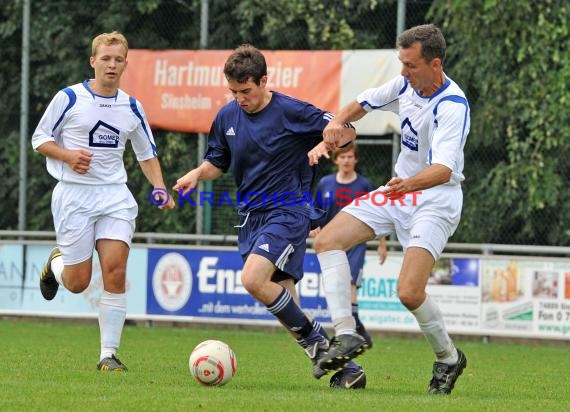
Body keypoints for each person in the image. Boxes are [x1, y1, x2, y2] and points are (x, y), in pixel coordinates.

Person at [173, 44, 365, 389]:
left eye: (245, 91)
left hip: (286, 211)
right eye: (233, 91)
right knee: (287, 304)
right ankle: (346, 369)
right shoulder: (227, 116)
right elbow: (218, 161)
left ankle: (323, 345)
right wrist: (196, 174)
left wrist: (329, 141)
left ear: (264, 80)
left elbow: (346, 129)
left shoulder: (290, 111)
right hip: (250, 218)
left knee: (252, 279)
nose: (239, 98)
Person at [310, 24, 470, 394]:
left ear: (435, 63)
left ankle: (448, 358)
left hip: (436, 199)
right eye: (401, 63)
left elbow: (444, 169)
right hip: (399, 192)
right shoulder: (404, 86)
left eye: (410, 65)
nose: (403, 72)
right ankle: (347, 336)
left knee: (409, 293)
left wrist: (407, 185)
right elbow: (361, 104)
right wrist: (337, 122)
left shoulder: (452, 105)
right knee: (327, 241)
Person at [32, 31, 175, 372]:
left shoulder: (131, 106)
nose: (112, 65)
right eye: (106, 58)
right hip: (74, 197)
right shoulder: (69, 98)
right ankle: (55, 265)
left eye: (118, 59)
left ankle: (107, 355)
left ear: (126, 63)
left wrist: (159, 186)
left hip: (114, 196)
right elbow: (39, 138)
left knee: (115, 271)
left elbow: (147, 153)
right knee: (79, 281)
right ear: (93, 61)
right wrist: (67, 156)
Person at [309, 142, 388, 348]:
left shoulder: (364, 185)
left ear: (356, 159)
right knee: (339, 283)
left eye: (350, 157)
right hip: (332, 245)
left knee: (351, 282)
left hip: (356, 243)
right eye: (342, 157)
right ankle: (356, 326)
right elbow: (316, 211)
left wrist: (382, 243)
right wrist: (314, 227)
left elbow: (379, 213)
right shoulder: (326, 183)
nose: (346, 160)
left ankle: (352, 328)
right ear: (336, 160)